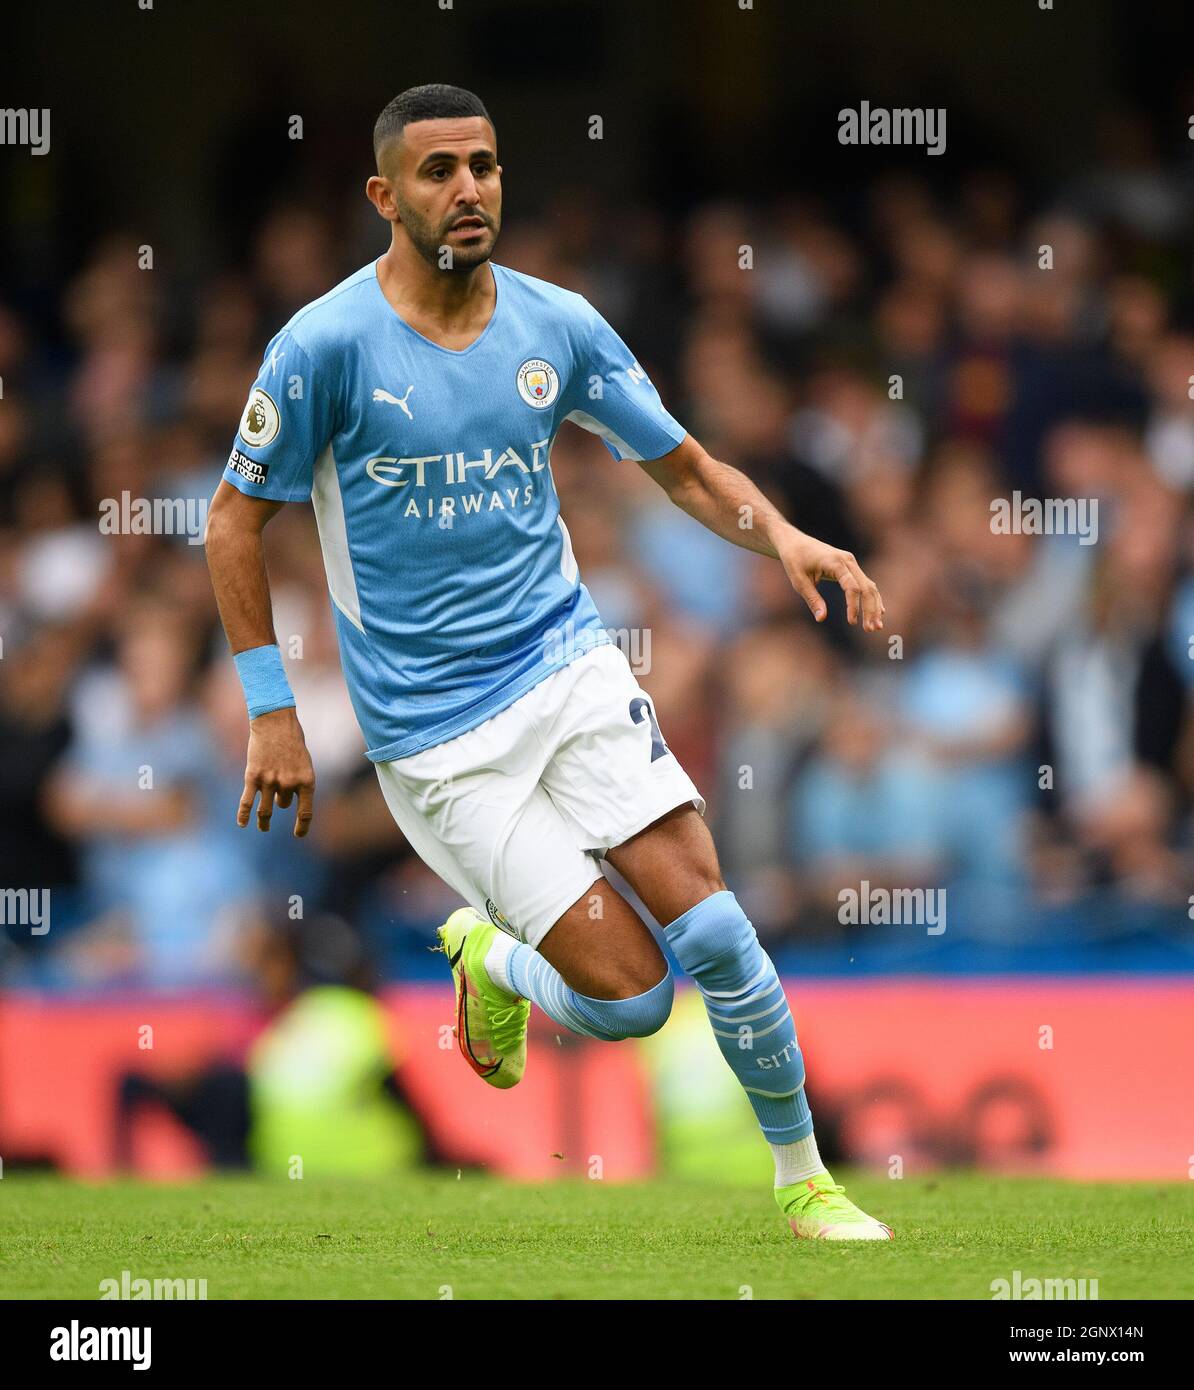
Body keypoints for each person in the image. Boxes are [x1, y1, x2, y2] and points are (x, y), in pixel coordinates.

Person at [204, 84, 891, 1240]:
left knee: (717, 930)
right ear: (384, 195)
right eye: (436, 172)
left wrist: (781, 530)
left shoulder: (557, 324)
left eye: (483, 165)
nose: (467, 189)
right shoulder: (322, 347)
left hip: (566, 667)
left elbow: (682, 467)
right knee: (633, 1004)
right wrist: (273, 708)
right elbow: (232, 521)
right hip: (433, 735)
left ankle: (806, 1183)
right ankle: (492, 961)